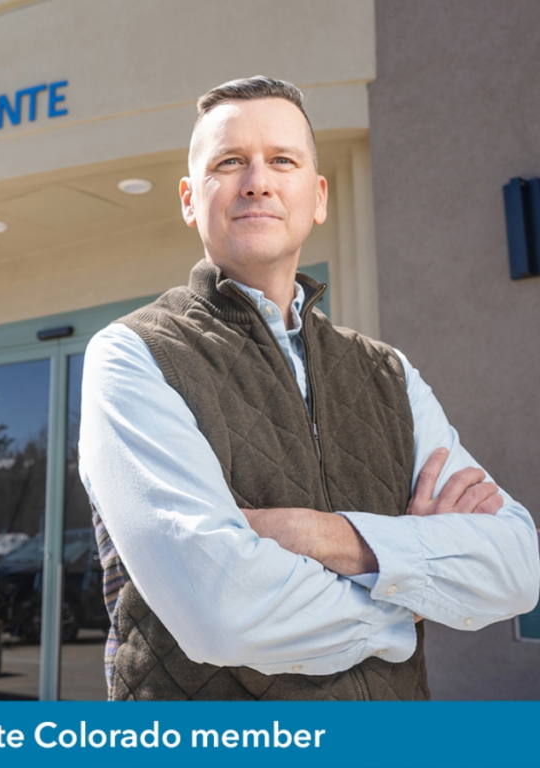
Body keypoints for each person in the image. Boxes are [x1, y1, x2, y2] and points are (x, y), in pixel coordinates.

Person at [78, 76, 539, 701]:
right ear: (190, 199)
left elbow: (516, 565)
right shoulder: (134, 355)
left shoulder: (388, 373)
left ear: (317, 196)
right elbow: (223, 610)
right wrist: (411, 589)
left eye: (282, 160)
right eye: (230, 161)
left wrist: (327, 538)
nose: (257, 181)